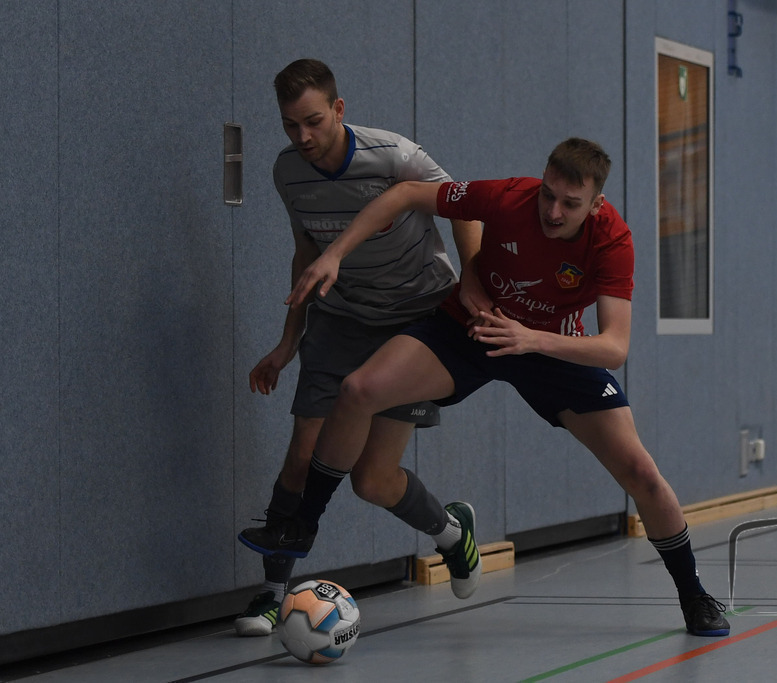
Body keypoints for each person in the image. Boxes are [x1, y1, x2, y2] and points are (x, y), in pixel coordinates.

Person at [242, 137, 732, 637]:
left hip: (549, 348)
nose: (554, 211)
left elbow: (614, 348)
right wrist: (336, 255)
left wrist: (530, 339)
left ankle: (694, 596)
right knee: (358, 390)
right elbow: (407, 192)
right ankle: (303, 526)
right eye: (548, 194)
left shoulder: (612, 240)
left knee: (642, 473)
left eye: (570, 203)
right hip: (471, 330)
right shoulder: (509, 197)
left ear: (596, 204)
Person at [234, 58, 488, 637]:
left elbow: (466, 209)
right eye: (289, 126)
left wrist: (471, 284)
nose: (302, 137)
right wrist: (286, 343)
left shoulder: (395, 156)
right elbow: (307, 256)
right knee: (303, 449)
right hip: (341, 318)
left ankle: (451, 533)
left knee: (372, 479)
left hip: (415, 323)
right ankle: (274, 592)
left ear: (339, 110)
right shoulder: (287, 172)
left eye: (314, 122)